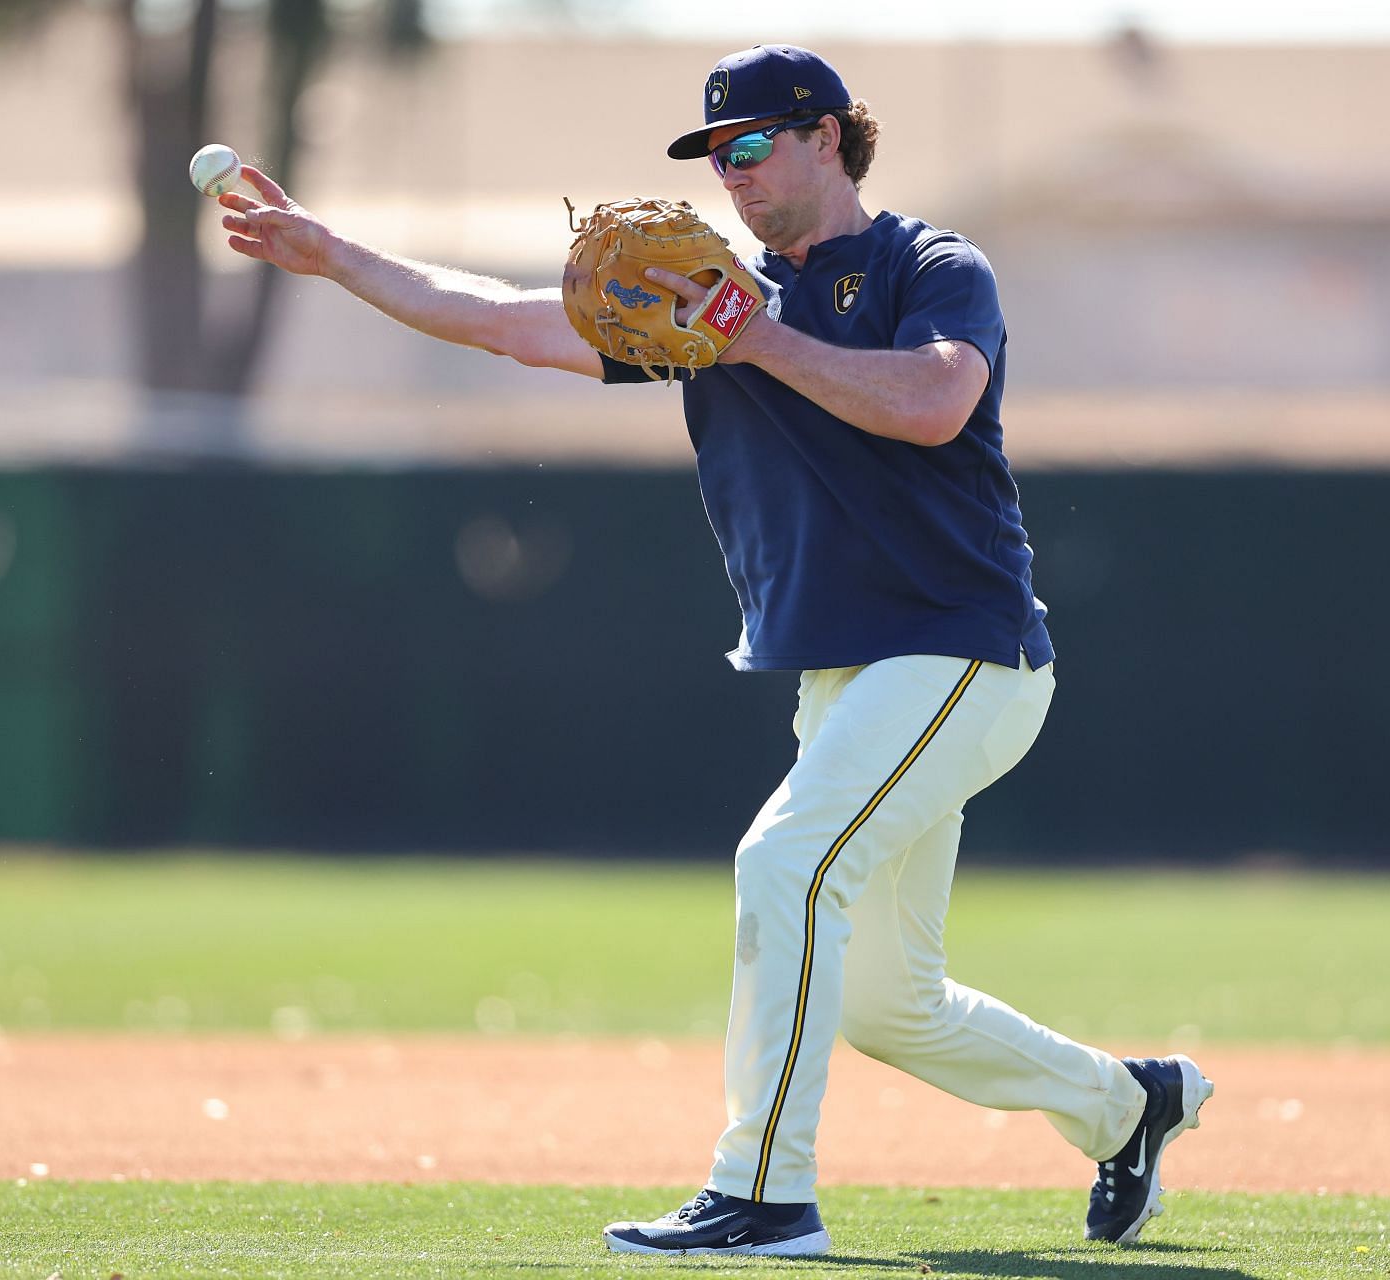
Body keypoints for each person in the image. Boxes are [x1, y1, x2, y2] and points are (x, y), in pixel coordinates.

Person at [216, 42, 1211, 1259]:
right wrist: (332, 257)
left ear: (829, 136)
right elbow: (506, 322)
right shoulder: (703, 300)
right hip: (848, 671)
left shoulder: (926, 265)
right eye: (711, 156)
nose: (727, 175)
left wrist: (753, 337)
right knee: (894, 1004)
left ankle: (763, 1193)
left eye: (749, 146)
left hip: (964, 653)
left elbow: (936, 402)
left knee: (785, 863)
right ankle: (1128, 1106)